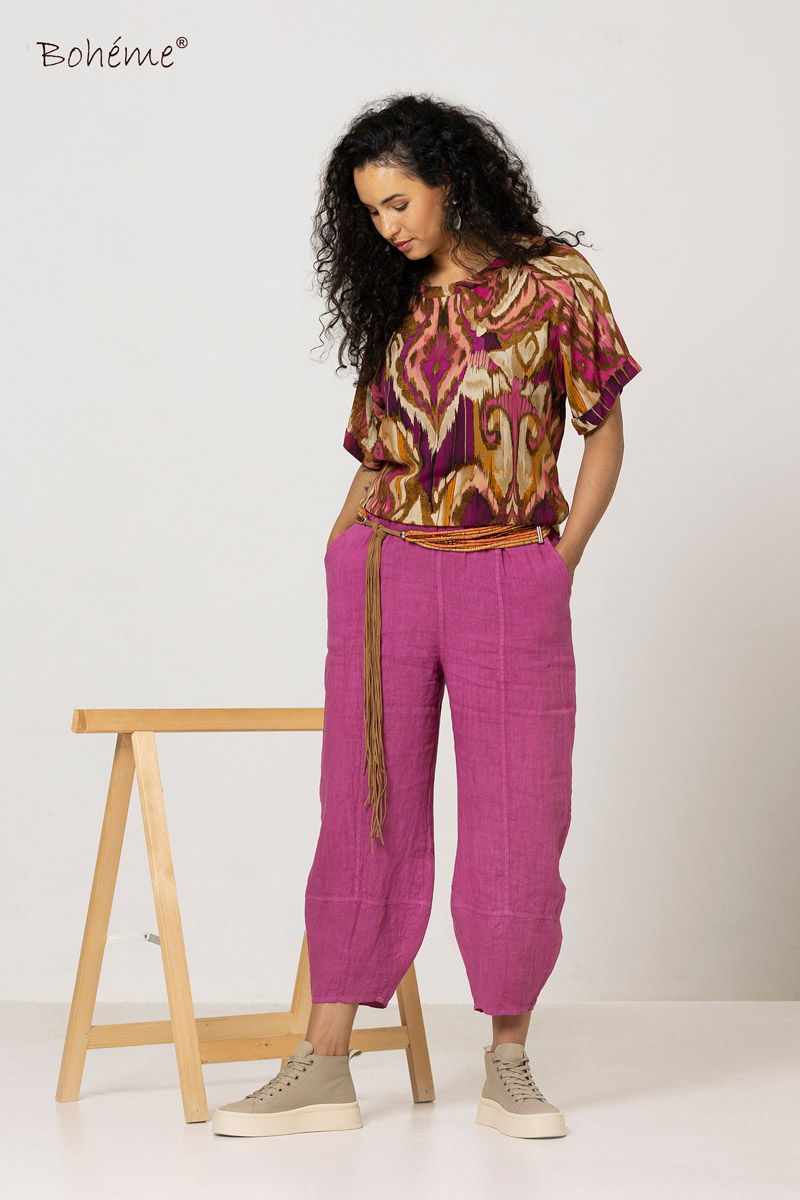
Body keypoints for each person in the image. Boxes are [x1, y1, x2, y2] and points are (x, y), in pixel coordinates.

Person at [212, 93, 642, 1141]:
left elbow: (603, 433)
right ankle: (322, 1066)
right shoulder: (394, 297)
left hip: (508, 570)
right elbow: (375, 453)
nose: (387, 226)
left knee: (517, 816)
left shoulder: (555, 283)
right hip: (383, 572)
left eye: (398, 202)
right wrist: (337, 555)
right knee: (363, 806)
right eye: (369, 212)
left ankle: (509, 1065)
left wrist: (559, 563)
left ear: (453, 180)